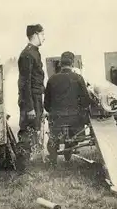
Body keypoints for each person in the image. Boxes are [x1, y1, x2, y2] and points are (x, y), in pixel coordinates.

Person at [44, 51, 92, 165]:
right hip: (75, 121)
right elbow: (86, 101)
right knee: (73, 135)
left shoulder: (52, 79)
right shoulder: (79, 78)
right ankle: (68, 153)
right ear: (72, 63)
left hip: (57, 119)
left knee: (54, 137)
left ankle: (53, 161)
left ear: (60, 63)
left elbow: (46, 105)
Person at [16, 24, 46, 171]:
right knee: (27, 131)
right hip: (30, 100)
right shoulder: (27, 54)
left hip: (36, 98)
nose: (44, 37)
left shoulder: (34, 53)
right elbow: (24, 82)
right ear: (36, 34)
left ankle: (29, 166)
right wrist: (30, 107)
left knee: (34, 130)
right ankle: (22, 168)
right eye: (43, 34)